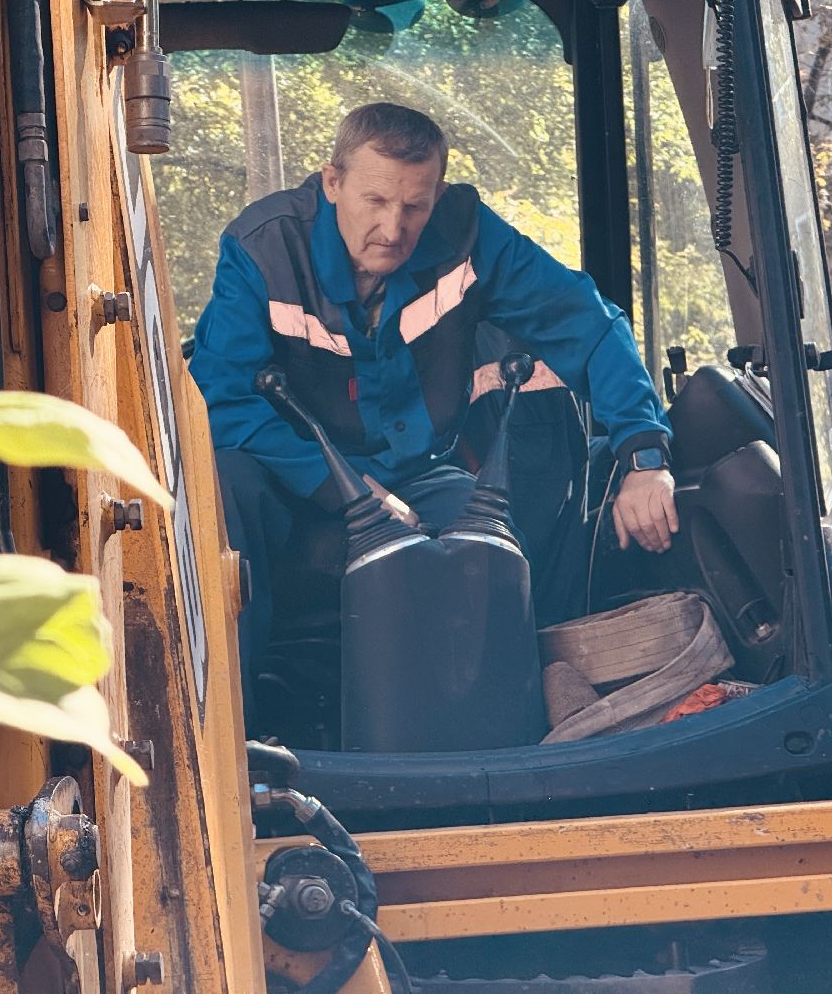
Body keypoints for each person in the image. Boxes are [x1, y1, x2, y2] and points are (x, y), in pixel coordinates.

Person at [189, 102, 677, 722]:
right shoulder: (262, 249)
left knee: (485, 554)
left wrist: (643, 455)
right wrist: (345, 489)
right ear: (333, 182)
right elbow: (218, 400)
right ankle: (232, 732)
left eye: (414, 206)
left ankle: (498, 752)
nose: (393, 228)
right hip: (290, 479)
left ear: (437, 195)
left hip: (416, 475)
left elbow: (590, 324)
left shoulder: (468, 236)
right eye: (374, 201)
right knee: (224, 485)